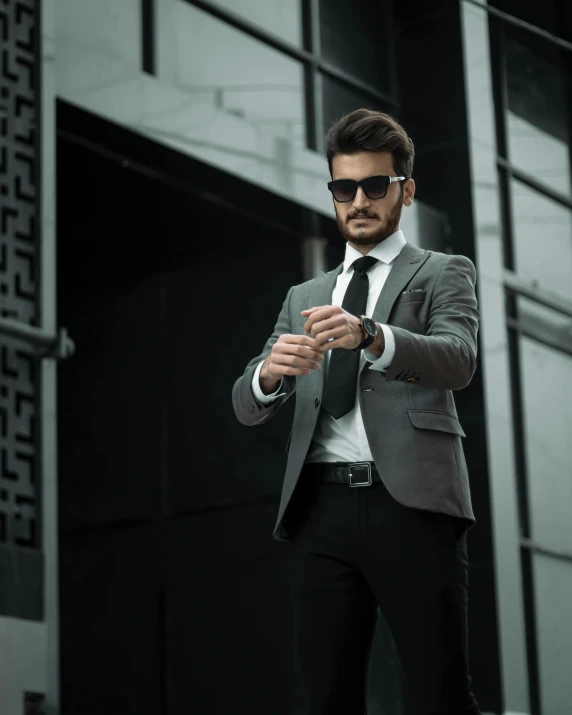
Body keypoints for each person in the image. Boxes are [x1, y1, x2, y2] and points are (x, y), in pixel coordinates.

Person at [232, 109, 482, 715]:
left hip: (413, 506)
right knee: (327, 699)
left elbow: (457, 359)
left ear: (406, 190)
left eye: (375, 186)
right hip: (320, 511)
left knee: (440, 694)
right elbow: (245, 405)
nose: (359, 201)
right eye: (345, 189)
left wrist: (371, 333)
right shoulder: (305, 297)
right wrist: (269, 375)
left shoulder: (444, 271)